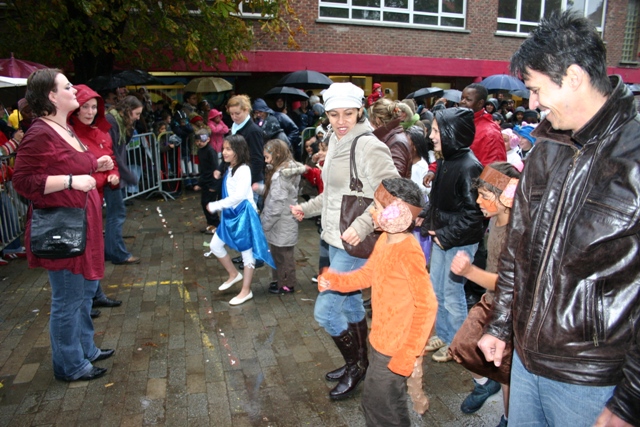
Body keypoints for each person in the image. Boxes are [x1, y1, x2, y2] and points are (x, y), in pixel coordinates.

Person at [478, 12, 640, 427]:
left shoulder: (634, 157)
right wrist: (499, 326)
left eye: (535, 89)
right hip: (527, 365)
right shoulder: (547, 147)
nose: (532, 104)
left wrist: (629, 401)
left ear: (572, 76)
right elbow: (517, 247)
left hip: (593, 381)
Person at [290, 82, 399, 400]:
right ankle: (359, 361)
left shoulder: (369, 146)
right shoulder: (334, 139)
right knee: (350, 302)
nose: (340, 120)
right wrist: (306, 208)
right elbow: (335, 194)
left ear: (360, 111)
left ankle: (355, 366)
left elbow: (392, 193)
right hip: (333, 237)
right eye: (333, 114)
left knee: (325, 311)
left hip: (355, 242)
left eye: (348, 114)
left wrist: (364, 225)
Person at [12, 68, 116, 382]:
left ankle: (86, 348)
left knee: (83, 294)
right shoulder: (40, 132)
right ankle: (70, 364)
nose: (75, 91)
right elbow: (24, 181)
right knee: (68, 300)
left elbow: (70, 164)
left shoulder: (65, 129)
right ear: (51, 96)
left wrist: (95, 165)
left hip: (83, 225)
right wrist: (72, 179)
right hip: (64, 231)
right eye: (68, 86)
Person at [318, 178, 436, 426]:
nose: (372, 212)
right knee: (384, 405)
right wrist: (336, 281)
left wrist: (408, 353)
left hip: (396, 348)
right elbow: (368, 274)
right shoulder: (384, 240)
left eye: (379, 208)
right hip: (381, 340)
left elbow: (427, 306)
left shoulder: (408, 251)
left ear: (398, 215)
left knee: (381, 408)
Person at [449, 162, 521, 427]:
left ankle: (509, 417)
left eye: (485, 197)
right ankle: (485, 384)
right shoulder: (495, 221)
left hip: (508, 309)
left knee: (507, 375)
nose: (478, 201)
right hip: (490, 301)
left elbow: (510, 283)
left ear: (507, 198)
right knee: (461, 346)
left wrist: (469, 271)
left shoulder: (517, 233)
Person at [419, 107, 484, 363]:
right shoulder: (446, 159)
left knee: (452, 293)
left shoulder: (469, 167)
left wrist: (445, 234)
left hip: (459, 241)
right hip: (443, 237)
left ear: (450, 133)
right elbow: (438, 200)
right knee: (436, 289)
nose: (431, 136)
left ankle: (457, 342)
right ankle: (445, 335)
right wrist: (424, 214)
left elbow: (475, 214)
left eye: (436, 131)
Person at [68, 84, 123, 309]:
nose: (90, 112)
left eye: (93, 107)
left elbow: (110, 160)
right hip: (76, 202)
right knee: (83, 251)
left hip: (95, 199)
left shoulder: (100, 133)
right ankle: (85, 301)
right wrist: (104, 174)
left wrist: (113, 174)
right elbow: (77, 172)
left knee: (93, 249)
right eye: (85, 107)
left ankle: (93, 294)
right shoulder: (68, 134)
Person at [205, 134, 274, 306]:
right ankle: (234, 274)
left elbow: (239, 196)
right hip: (231, 215)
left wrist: (215, 205)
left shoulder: (243, 170)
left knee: (247, 254)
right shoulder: (231, 167)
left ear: (238, 151)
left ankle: (246, 290)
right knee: (215, 245)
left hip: (244, 216)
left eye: (228, 149)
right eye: (223, 148)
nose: (224, 152)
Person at [253, 139, 305, 295]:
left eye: (267, 157)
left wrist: (264, 225)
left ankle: (287, 284)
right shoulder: (285, 172)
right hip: (283, 221)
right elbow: (276, 193)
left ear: (276, 154)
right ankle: (280, 280)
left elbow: (276, 203)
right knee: (278, 253)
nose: (265, 160)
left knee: (283, 255)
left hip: (281, 222)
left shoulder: (281, 175)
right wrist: (260, 189)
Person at [104, 95, 143, 265]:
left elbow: (123, 144)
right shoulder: (111, 121)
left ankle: (110, 250)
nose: (137, 117)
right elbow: (113, 152)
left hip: (115, 175)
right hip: (112, 177)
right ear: (127, 110)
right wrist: (128, 175)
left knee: (115, 214)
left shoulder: (119, 122)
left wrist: (130, 125)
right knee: (116, 214)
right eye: (136, 113)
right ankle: (118, 254)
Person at [459, 83, 507, 167]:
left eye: (468, 99)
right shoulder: (458, 121)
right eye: (462, 98)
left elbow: (496, 172)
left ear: (480, 103)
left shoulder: (491, 132)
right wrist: (433, 170)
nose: (462, 102)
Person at [369, 98, 412, 178]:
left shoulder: (396, 142)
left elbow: (394, 181)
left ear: (377, 120)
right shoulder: (391, 137)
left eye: (370, 119)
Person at [192, 127, 219, 235]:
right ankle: (210, 224)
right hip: (205, 181)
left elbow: (215, 168)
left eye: (201, 141)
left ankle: (215, 226)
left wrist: (214, 184)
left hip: (211, 182)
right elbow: (203, 169)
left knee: (209, 204)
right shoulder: (201, 150)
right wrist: (200, 183)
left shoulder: (210, 151)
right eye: (197, 141)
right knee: (204, 203)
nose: (199, 143)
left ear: (207, 139)